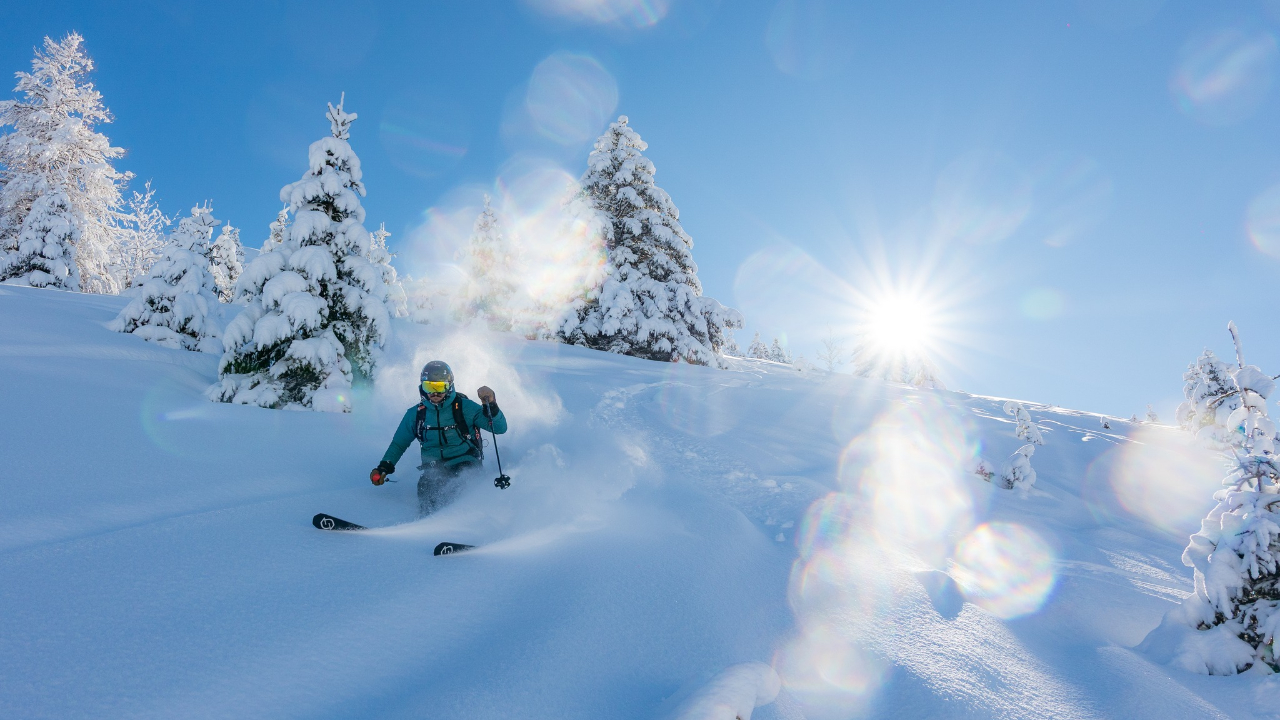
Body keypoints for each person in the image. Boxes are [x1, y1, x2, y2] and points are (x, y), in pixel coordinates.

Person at [370, 360, 508, 515]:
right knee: (427, 491)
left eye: (440, 387)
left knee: (460, 487)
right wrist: (384, 466)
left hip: (465, 462)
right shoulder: (416, 414)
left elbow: (500, 428)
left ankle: (469, 525)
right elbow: (399, 444)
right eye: (429, 387)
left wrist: (492, 405)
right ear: (422, 386)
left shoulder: (465, 407)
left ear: (449, 386)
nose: (435, 394)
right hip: (434, 468)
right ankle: (427, 529)